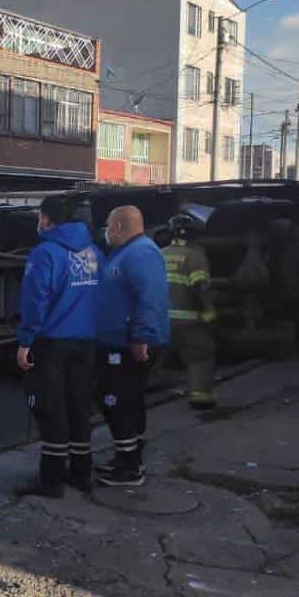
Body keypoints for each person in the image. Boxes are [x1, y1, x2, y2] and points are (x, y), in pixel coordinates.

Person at [14, 197, 102, 498]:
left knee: (51, 409)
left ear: (47, 219)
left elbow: (35, 300)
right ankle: (81, 473)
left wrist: (26, 341)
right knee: (79, 407)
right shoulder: (93, 252)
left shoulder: (45, 254)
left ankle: (51, 481)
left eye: (40, 216)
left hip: (52, 343)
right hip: (86, 342)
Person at [95, 206, 170, 487]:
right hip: (120, 342)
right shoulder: (128, 253)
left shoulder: (140, 253)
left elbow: (149, 298)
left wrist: (141, 337)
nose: (105, 231)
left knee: (115, 400)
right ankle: (129, 456)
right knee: (128, 400)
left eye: (107, 225)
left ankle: (129, 467)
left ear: (116, 227)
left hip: (126, 345)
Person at [163, 214, 218, 410]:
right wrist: (209, 311)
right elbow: (200, 287)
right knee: (200, 356)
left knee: (152, 361)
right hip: (188, 321)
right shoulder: (196, 256)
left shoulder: (159, 254)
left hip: (159, 322)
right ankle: (200, 397)